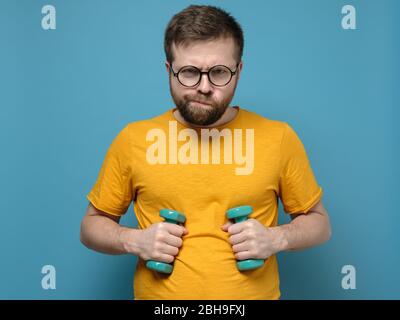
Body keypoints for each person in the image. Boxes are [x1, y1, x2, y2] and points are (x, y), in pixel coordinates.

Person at [80, 4, 331, 300]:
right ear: (168, 70)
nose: (204, 87)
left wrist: (277, 237)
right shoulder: (134, 139)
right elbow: (90, 226)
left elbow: (320, 224)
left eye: (219, 72)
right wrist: (132, 239)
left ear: (238, 71)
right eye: (188, 71)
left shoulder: (278, 137)